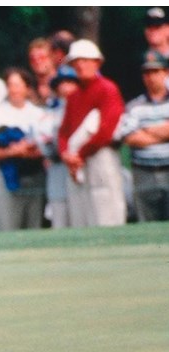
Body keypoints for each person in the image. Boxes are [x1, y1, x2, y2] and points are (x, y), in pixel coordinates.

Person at [58, 39, 126, 227]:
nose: (80, 65)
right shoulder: (73, 96)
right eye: (76, 62)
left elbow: (106, 130)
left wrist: (78, 154)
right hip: (78, 159)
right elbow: (64, 131)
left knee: (106, 205)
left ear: (97, 62)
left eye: (86, 60)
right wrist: (66, 155)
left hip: (101, 154)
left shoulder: (107, 89)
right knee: (82, 209)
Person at [0, 67, 47, 231]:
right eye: (10, 85)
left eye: (18, 85)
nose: (14, 90)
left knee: (33, 227)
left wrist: (27, 150)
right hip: (4, 178)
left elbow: (46, 147)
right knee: (6, 227)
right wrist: (11, 152)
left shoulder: (38, 114)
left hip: (34, 176)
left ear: (27, 88)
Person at [120, 50, 169, 222]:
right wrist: (163, 132)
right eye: (147, 72)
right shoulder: (135, 106)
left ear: (166, 73)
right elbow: (129, 137)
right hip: (144, 171)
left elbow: (139, 134)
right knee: (147, 222)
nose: (151, 77)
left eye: (155, 71)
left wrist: (147, 130)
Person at [40, 65, 81, 228]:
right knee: (60, 220)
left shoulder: (85, 107)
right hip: (58, 169)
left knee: (82, 220)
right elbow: (46, 145)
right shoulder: (49, 113)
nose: (65, 87)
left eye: (70, 82)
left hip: (80, 168)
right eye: (61, 83)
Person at [28, 38, 58, 107]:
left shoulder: (64, 83)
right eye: (33, 59)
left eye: (42, 57)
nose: (37, 62)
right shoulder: (29, 89)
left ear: (52, 58)